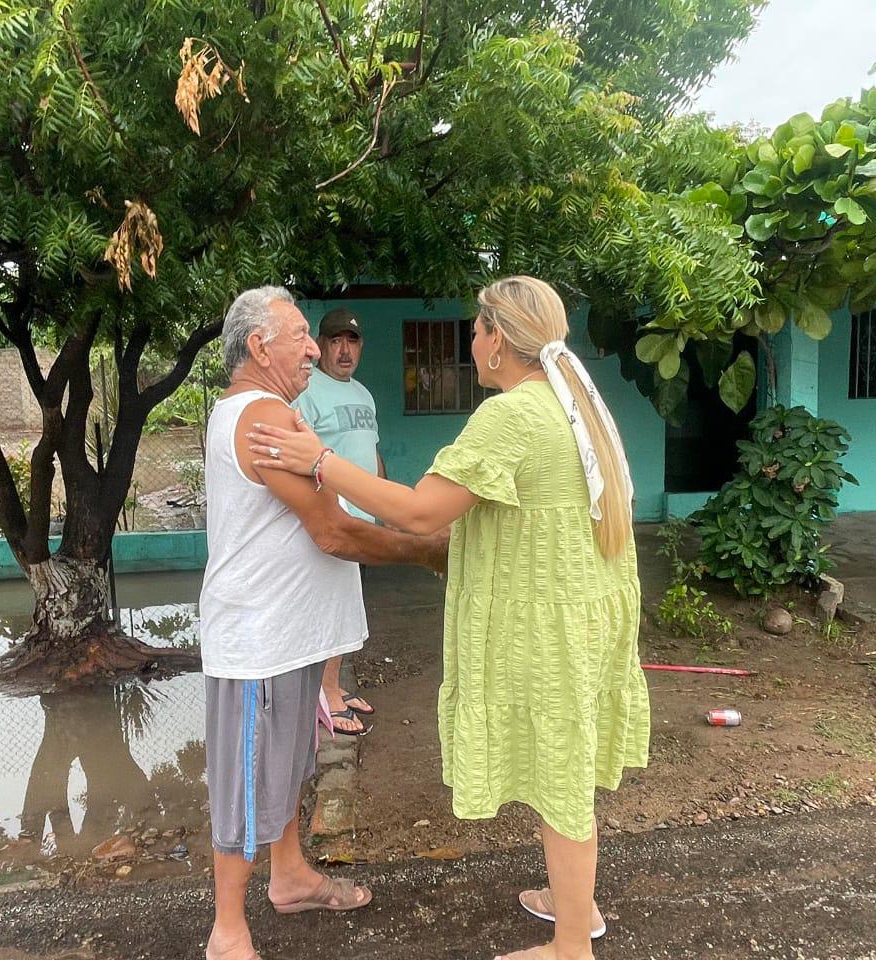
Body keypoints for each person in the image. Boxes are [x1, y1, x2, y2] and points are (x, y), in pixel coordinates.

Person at [248, 276, 651, 960]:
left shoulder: (514, 415)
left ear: (498, 338)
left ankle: (570, 948)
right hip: (588, 610)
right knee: (569, 759)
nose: (471, 341)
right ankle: (570, 904)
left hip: (548, 621)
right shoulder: (568, 402)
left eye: (475, 329)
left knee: (557, 771)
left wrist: (318, 461)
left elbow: (419, 510)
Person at [200, 285, 448, 960]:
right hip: (259, 639)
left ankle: (290, 877)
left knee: (287, 764)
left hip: (289, 633)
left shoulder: (272, 412)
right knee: (249, 780)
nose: (314, 347)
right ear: (259, 346)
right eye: (301, 335)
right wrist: (427, 549)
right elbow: (334, 531)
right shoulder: (262, 418)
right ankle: (228, 931)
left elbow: (332, 496)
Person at [293, 307, 385, 736]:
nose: (344, 350)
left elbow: (370, 453)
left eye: (352, 341)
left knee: (346, 609)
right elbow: (301, 459)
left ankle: (333, 686)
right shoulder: (309, 393)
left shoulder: (364, 394)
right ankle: (327, 696)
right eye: (335, 341)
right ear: (322, 346)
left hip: (361, 520)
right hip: (333, 521)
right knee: (331, 610)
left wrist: (384, 504)